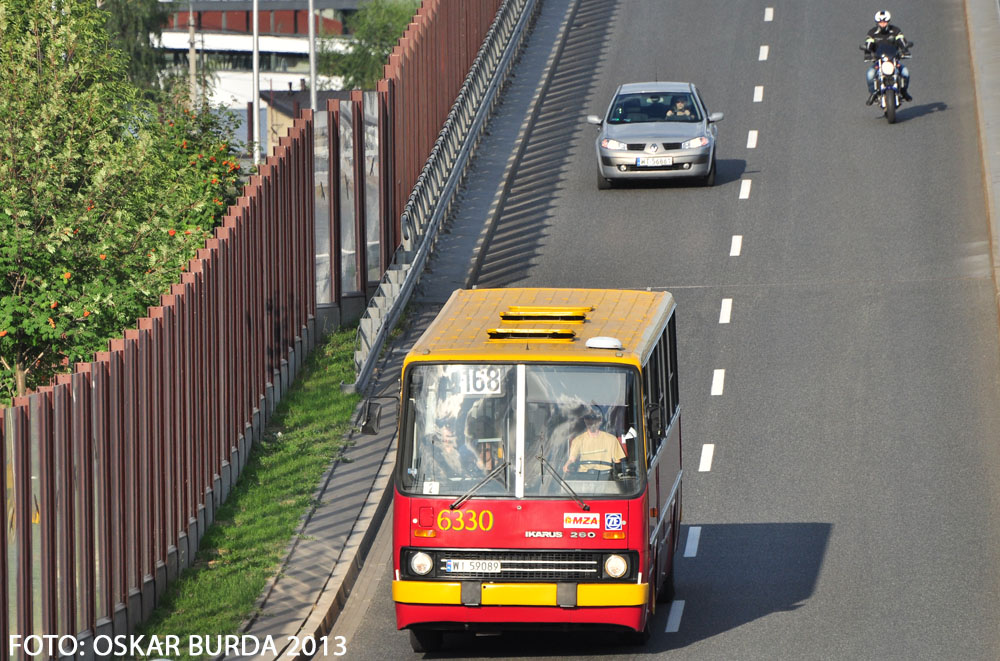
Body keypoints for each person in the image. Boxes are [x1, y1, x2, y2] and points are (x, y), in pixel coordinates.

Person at [862, 10, 912, 105]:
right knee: (870, 74)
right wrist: (867, 53)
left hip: (893, 59)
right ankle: (873, 94)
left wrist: (905, 49)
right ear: (877, 22)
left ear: (888, 21)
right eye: (880, 22)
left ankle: (904, 91)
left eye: (885, 21)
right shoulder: (872, 33)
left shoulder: (895, 31)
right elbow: (868, 45)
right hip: (879, 61)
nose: (883, 23)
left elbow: (902, 41)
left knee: (906, 72)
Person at [562, 410, 625, 474]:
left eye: (594, 419)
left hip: (606, 476)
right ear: (585, 421)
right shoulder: (578, 440)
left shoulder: (611, 439)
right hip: (584, 476)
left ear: (599, 421)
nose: (591, 422)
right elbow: (572, 459)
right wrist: (567, 465)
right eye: (588, 418)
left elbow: (617, 462)